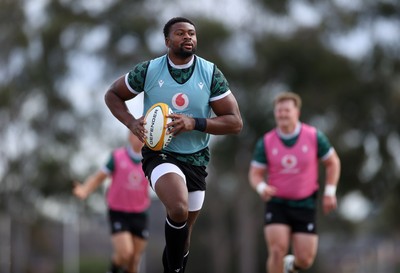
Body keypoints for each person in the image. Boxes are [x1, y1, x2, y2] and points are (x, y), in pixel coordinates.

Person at [104, 17, 243, 273]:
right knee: (178, 208)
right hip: (160, 154)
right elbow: (112, 94)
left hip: (197, 159)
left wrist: (194, 123)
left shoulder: (210, 73)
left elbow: (235, 123)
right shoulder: (148, 70)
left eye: (191, 33)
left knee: (183, 235)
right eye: (180, 33)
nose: (188, 37)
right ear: (168, 41)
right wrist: (131, 123)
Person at [248, 92, 341, 273]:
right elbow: (255, 173)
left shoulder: (314, 136)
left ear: (296, 112)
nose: (282, 114)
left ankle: (292, 266)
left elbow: (333, 162)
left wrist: (330, 192)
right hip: (277, 203)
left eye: (286, 110)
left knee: (306, 259)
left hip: (305, 203)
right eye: (279, 111)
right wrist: (261, 187)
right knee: (277, 250)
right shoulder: (266, 142)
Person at [73, 132, 150, 273]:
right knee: (126, 253)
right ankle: (113, 269)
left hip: (140, 212)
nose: (139, 139)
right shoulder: (117, 157)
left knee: (134, 260)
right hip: (118, 212)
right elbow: (99, 177)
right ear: (129, 137)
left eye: (143, 136)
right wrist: (85, 189)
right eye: (136, 135)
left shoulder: (151, 159)